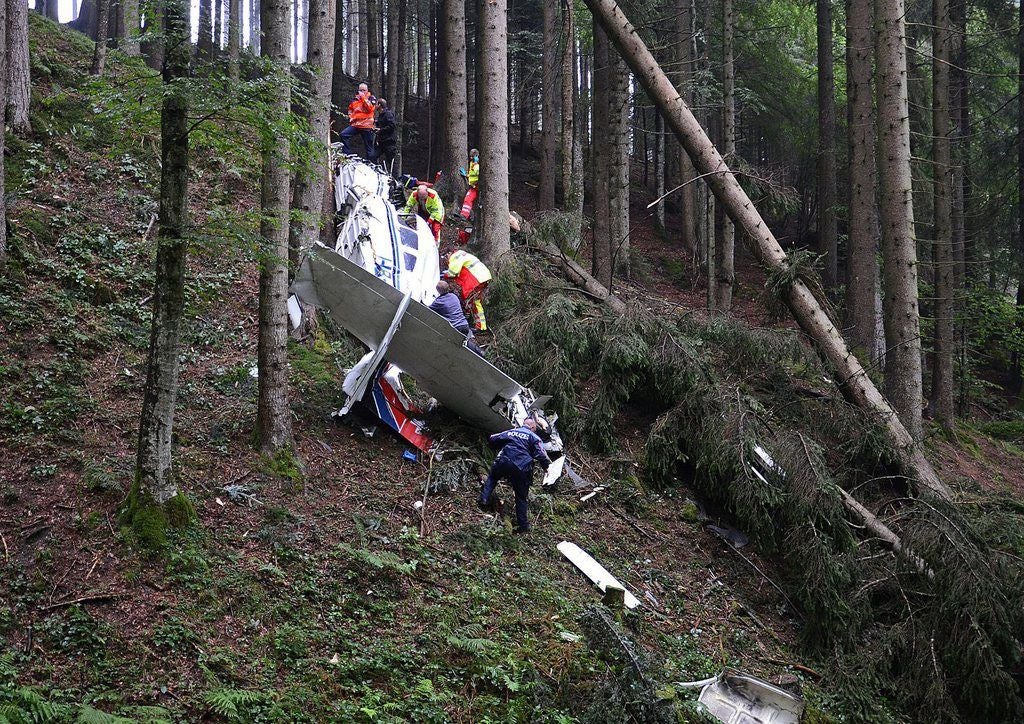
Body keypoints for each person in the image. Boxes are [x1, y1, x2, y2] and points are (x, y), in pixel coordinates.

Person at [479, 418, 551, 533]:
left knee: (492, 477)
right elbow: (541, 454)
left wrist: (497, 446)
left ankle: (484, 499)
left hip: (504, 461)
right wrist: (546, 466)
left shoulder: (512, 431)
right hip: (521, 468)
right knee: (521, 497)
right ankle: (523, 526)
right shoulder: (534, 437)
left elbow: (493, 438)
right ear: (532, 427)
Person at [428, 281, 484, 356]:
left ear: (438, 290)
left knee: (452, 345)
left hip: (455, 328)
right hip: (465, 324)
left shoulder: (439, 302)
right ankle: (481, 353)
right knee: (465, 342)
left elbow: (428, 309)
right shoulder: (453, 296)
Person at [444, 249, 491, 331]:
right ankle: (481, 326)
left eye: (446, 256)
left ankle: (474, 325)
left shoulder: (455, 256)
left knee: (469, 302)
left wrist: (444, 275)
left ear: (449, 253)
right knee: (475, 302)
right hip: (481, 278)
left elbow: (452, 272)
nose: (446, 258)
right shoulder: (462, 254)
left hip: (476, 280)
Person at [341, 82, 377, 159]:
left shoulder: (371, 98)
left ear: (367, 90)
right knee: (343, 134)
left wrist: (363, 98)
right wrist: (351, 117)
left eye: (364, 90)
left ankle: (371, 163)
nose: (362, 92)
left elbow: (369, 108)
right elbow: (350, 109)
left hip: (367, 126)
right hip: (356, 125)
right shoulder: (355, 100)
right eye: (361, 90)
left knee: (369, 149)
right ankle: (347, 154)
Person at [375, 98, 397, 170]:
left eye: (376, 104)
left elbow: (392, 126)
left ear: (380, 105)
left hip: (389, 142)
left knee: (391, 162)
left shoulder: (388, 114)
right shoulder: (381, 115)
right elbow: (382, 124)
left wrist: (381, 130)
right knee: (372, 156)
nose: (375, 106)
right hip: (381, 143)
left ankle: (395, 179)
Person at [458, 148, 480, 220]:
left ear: (476, 156)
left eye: (473, 156)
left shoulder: (478, 166)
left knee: (469, 200)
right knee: (467, 200)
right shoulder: (472, 164)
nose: (471, 158)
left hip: (477, 188)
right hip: (473, 187)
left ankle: (466, 215)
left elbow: (479, 177)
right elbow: (472, 175)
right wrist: (466, 175)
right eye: (470, 156)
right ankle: (464, 215)